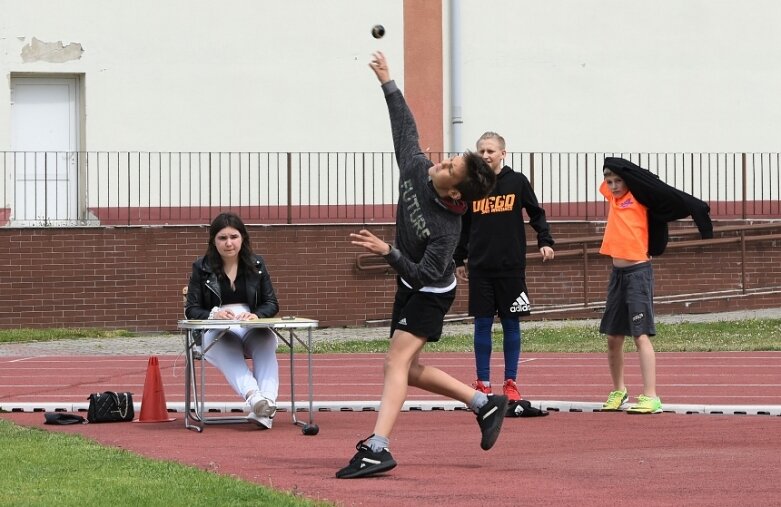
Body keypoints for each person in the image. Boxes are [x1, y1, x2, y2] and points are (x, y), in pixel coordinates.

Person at [335, 51, 501, 479]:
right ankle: (482, 404)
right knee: (404, 368)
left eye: (450, 166)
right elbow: (404, 127)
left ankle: (378, 446)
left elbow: (427, 273)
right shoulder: (415, 168)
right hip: (411, 285)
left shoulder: (447, 226)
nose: (442, 162)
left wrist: (387, 252)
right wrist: (388, 82)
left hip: (432, 290)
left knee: (394, 364)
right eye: (449, 158)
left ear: (455, 193)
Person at [598, 157, 712, 414]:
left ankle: (651, 396)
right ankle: (619, 390)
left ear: (629, 181)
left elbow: (652, 186)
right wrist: (610, 169)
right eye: (610, 181)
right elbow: (609, 173)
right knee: (613, 337)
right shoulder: (611, 197)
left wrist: (626, 173)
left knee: (640, 335)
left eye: (618, 181)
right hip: (617, 274)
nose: (614, 186)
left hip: (638, 273)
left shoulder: (641, 199)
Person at [453, 132, 554, 409]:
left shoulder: (517, 182)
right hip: (481, 268)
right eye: (481, 151)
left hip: (511, 268)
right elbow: (463, 226)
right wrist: (459, 259)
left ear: (503, 153)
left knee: (511, 324)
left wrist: (545, 240)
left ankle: (510, 382)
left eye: (491, 151)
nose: (486, 155)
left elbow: (536, 212)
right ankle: (482, 383)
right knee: (482, 325)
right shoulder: (471, 186)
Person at [184, 212, 281, 429]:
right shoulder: (201, 267)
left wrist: (257, 315)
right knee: (223, 341)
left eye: (234, 237)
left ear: (243, 238)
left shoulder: (257, 264)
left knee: (265, 340)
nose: (229, 243)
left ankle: (267, 403)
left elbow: (271, 303)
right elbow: (191, 309)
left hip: (250, 326)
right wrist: (213, 314)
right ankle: (255, 398)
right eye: (222, 238)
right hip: (216, 329)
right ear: (213, 241)